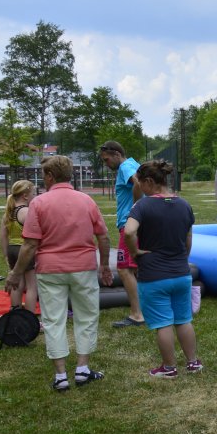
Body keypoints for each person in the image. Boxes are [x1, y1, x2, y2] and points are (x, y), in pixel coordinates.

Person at [5, 155, 114, 392]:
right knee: (87, 317)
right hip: (83, 267)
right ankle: (83, 369)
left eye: (43, 174)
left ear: (50, 176)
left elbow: (30, 244)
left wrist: (16, 272)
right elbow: (103, 237)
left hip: (50, 269)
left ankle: (61, 376)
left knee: (53, 320)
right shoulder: (86, 200)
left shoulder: (39, 203)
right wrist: (105, 265)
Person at [123, 160, 202, 378]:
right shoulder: (184, 204)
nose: (139, 188)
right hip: (181, 273)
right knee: (183, 319)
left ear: (149, 181)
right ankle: (193, 363)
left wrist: (135, 252)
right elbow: (188, 238)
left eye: (140, 183)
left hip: (154, 275)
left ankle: (169, 368)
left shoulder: (142, 206)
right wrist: (182, 258)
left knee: (163, 323)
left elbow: (129, 232)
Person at [99, 140, 145, 327]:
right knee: (136, 267)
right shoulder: (133, 163)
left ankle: (137, 314)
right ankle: (145, 308)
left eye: (107, 159)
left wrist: (136, 208)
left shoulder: (126, 166)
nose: (106, 164)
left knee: (124, 268)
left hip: (129, 225)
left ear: (117, 154)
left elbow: (138, 183)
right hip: (137, 224)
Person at [0, 180, 38, 312]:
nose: (34, 196)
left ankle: (15, 310)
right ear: (25, 196)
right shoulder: (26, 211)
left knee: (17, 283)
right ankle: (29, 316)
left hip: (12, 249)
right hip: (24, 250)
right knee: (32, 286)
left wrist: (6, 254)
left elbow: (3, 236)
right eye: (33, 194)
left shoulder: (8, 213)